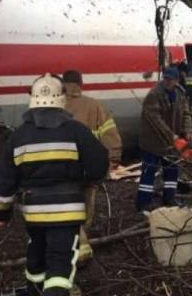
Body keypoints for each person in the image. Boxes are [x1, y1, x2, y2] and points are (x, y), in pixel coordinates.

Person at [0, 74, 108, 296]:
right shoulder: (76, 130)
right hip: (67, 213)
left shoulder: (19, 136)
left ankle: (34, 290)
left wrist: (0, 215)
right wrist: (83, 180)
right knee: (61, 263)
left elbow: (3, 180)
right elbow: (99, 165)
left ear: (31, 99)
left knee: (37, 251)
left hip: (34, 214)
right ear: (61, 98)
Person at [61, 69, 122, 264]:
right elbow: (111, 136)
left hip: (60, 172)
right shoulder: (95, 106)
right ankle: (81, 245)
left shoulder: (55, 107)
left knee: (64, 210)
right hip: (88, 170)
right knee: (86, 210)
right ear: (81, 84)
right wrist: (112, 161)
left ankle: (69, 247)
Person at [137, 67, 192, 213]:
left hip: (171, 142)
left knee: (172, 171)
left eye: (171, 79)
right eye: (166, 79)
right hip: (153, 142)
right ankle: (143, 203)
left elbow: (186, 113)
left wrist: (187, 131)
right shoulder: (154, 95)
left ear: (176, 80)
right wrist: (173, 137)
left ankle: (170, 198)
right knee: (149, 173)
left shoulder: (180, 93)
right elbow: (156, 121)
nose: (167, 82)